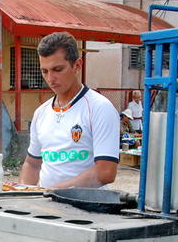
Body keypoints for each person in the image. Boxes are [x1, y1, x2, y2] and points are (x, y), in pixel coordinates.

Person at [19, 32, 119, 189]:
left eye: (58, 69)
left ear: (77, 65)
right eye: (45, 71)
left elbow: (105, 172)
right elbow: (32, 164)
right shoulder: (41, 113)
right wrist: (24, 192)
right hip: (44, 208)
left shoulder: (99, 108)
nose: (50, 78)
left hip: (85, 209)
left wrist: (54, 191)